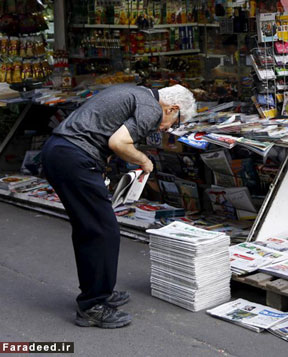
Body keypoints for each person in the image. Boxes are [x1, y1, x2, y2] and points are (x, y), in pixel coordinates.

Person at [41, 84, 196, 328]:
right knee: (102, 231)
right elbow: (119, 142)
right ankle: (93, 304)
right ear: (172, 108)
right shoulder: (151, 108)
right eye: (174, 123)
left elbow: (104, 131)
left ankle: (99, 291)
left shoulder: (135, 92)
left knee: (90, 228)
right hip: (74, 157)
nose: (166, 128)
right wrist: (144, 161)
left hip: (60, 151)